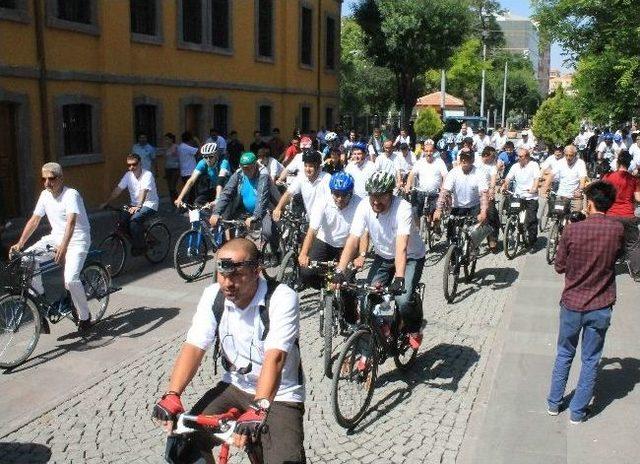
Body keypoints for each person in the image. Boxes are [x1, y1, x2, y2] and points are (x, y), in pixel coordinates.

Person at [152, 238, 305, 463]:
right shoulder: (213, 295)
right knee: (182, 444)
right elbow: (194, 346)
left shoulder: (281, 298)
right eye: (223, 275)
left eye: (236, 276)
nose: (227, 284)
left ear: (257, 271)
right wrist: (173, 394)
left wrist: (260, 407)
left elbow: (276, 357)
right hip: (235, 385)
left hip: (280, 394)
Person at [546, 181, 625, 424]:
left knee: (564, 353)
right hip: (600, 303)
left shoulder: (573, 230)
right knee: (591, 359)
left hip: (572, 302)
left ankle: (554, 403)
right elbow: (619, 256)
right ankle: (578, 412)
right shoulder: (617, 229)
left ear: (589, 204)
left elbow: (559, 266)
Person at [334, 171, 426, 348]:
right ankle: (378, 332)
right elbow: (353, 239)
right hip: (383, 256)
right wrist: (340, 270)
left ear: (391, 193)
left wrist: (399, 278)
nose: (376, 201)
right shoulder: (364, 207)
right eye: (372, 196)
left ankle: (414, 328)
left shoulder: (403, 208)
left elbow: (402, 246)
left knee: (403, 299)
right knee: (369, 296)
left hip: (411, 258)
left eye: (381, 197)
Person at [10, 162, 92, 334]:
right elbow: (34, 220)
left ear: (61, 178)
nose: (47, 183)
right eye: (44, 179)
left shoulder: (71, 195)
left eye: (51, 179)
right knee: (26, 258)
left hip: (78, 239)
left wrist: (64, 247)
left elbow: (71, 222)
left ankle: (85, 317)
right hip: (55, 238)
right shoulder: (45, 195)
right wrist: (20, 243)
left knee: (70, 280)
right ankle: (39, 306)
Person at [298, 172, 365, 288]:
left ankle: (349, 302)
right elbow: (312, 231)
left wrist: (362, 255)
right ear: (331, 192)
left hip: (347, 246)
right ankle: (327, 290)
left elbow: (364, 233)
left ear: (351, 193)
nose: (340, 198)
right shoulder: (322, 201)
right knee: (306, 273)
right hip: (325, 241)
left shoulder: (360, 203)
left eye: (344, 195)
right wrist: (303, 254)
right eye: (336, 194)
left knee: (346, 285)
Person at [101, 154, 159, 256]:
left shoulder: (147, 174)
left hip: (150, 204)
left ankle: (141, 246)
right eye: (129, 165)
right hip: (134, 205)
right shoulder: (128, 175)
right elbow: (118, 189)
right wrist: (108, 201)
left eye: (134, 164)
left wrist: (138, 206)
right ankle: (138, 239)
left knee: (134, 221)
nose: (131, 167)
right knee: (122, 222)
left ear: (140, 163)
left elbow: (143, 191)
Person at [434, 149, 490, 249]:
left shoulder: (479, 173)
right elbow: (444, 192)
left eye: (467, 158)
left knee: (474, 233)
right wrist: (438, 209)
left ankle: (473, 250)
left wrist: (483, 211)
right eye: (462, 158)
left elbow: (484, 194)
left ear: (472, 160)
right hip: (457, 207)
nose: (464, 160)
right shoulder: (453, 172)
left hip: (474, 206)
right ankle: (452, 257)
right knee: (451, 235)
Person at [210, 152, 273, 235]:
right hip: (244, 211)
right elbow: (226, 193)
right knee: (230, 228)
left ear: (255, 165)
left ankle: (275, 247)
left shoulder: (263, 175)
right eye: (244, 168)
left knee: (267, 232)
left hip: (265, 209)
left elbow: (261, 197)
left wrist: (255, 216)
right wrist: (216, 213)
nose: (247, 171)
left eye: (249, 168)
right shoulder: (239, 174)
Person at [602, 151, 640, 280]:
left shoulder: (608, 177)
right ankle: (637, 273)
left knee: (608, 243)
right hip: (628, 215)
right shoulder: (634, 179)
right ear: (629, 164)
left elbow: (602, 194)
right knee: (633, 244)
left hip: (611, 215)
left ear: (618, 162)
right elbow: (638, 198)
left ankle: (604, 271)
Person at [273, 151, 330, 221]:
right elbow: (288, 193)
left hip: (326, 220)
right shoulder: (301, 177)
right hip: (311, 220)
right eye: (306, 166)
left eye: (311, 166)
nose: (307, 169)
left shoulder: (326, 178)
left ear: (318, 167)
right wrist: (278, 208)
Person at [502, 148, 541, 248]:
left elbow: (537, 178)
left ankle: (532, 239)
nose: (518, 158)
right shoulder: (515, 166)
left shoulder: (534, 165)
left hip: (530, 196)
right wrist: (504, 185)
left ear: (527, 157)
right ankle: (511, 229)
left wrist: (534, 188)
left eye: (521, 156)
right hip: (518, 195)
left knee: (531, 219)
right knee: (511, 213)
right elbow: (508, 178)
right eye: (518, 156)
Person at [405, 141, 448, 229]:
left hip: (435, 193)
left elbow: (445, 176)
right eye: (427, 151)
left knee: (436, 215)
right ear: (423, 151)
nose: (429, 153)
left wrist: (444, 189)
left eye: (431, 151)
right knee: (414, 211)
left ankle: (436, 227)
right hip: (421, 192)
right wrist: (408, 185)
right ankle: (418, 230)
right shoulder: (419, 162)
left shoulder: (439, 162)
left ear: (434, 151)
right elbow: (412, 174)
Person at [174, 142, 231, 208]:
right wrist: (180, 198)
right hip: (215, 188)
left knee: (223, 212)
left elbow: (220, 181)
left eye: (211, 156)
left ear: (216, 155)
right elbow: (191, 181)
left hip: (228, 189)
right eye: (205, 157)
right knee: (198, 202)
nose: (208, 159)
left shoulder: (224, 162)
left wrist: (217, 199)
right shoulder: (203, 162)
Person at [544, 145, 588, 213]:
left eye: (570, 155)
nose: (568, 157)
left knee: (575, 217)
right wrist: (546, 187)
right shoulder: (561, 162)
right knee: (556, 214)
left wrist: (580, 190)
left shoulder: (580, 163)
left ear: (575, 155)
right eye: (566, 155)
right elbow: (551, 175)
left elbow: (582, 179)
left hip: (574, 196)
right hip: (561, 195)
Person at [177, 131, 199, 203]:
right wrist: (197, 142)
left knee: (187, 191)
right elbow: (200, 151)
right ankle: (189, 208)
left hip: (184, 172)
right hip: (190, 172)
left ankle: (186, 207)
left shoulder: (181, 146)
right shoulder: (187, 147)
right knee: (192, 192)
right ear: (190, 139)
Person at [163, 132, 180, 203]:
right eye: (165, 139)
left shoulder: (176, 147)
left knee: (173, 187)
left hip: (175, 169)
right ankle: (173, 203)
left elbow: (179, 158)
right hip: (168, 169)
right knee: (170, 187)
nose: (166, 141)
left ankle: (178, 201)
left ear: (172, 139)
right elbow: (166, 159)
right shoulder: (166, 148)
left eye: (167, 139)